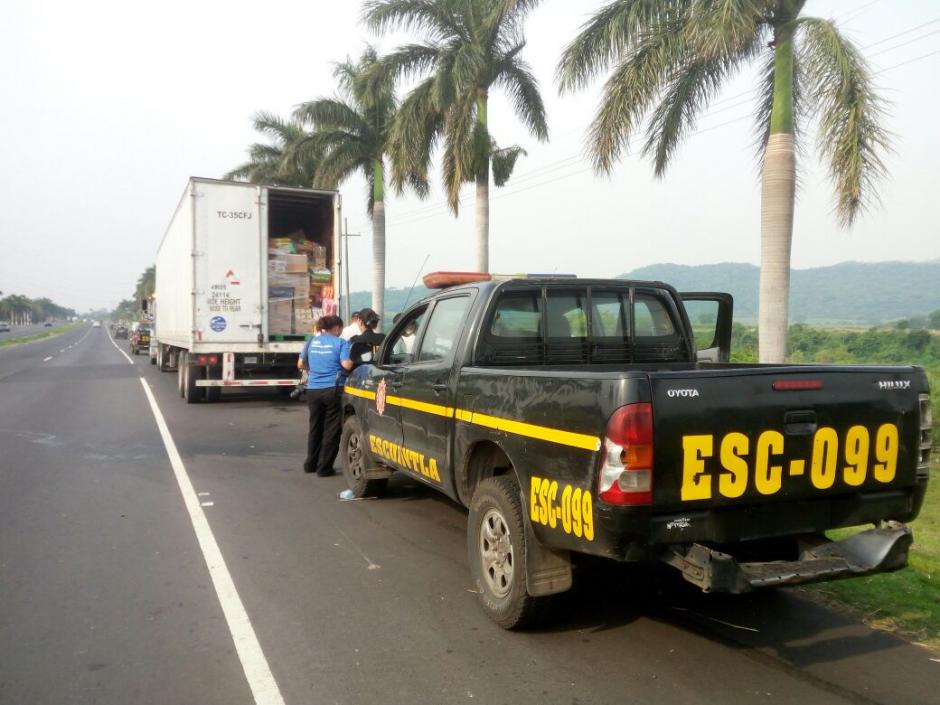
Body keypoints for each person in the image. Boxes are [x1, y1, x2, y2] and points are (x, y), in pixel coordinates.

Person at [298, 314, 352, 476]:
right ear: (336, 328)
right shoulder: (341, 343)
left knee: (315, 427)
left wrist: (313, 369)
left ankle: (310, 464)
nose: (341, 332)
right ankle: (324, 468)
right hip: (333, 389)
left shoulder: (311, 341)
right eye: (340, 329)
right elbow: (347, 364)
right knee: (332, 430)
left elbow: (300, 364)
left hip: (313, 390)